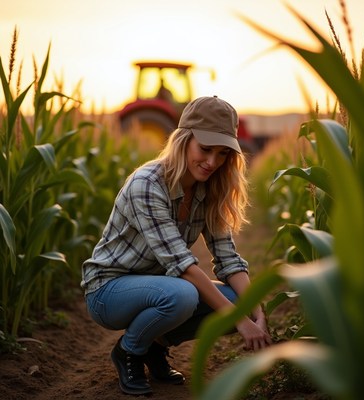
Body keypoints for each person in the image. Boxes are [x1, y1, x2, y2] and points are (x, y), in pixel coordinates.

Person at [81, 95, 272, 396]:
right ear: (183, 139)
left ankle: (155, 346)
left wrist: (255, 313)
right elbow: (182, 265)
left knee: (240, 299)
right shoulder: (147, 184)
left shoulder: (211, 188)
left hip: (158, 287)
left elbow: (228, 260)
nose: (212, 162)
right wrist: (239, 321)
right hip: (109, 290)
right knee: (183, 293)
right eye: (205, 149)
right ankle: (129, 350)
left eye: (222, 153)